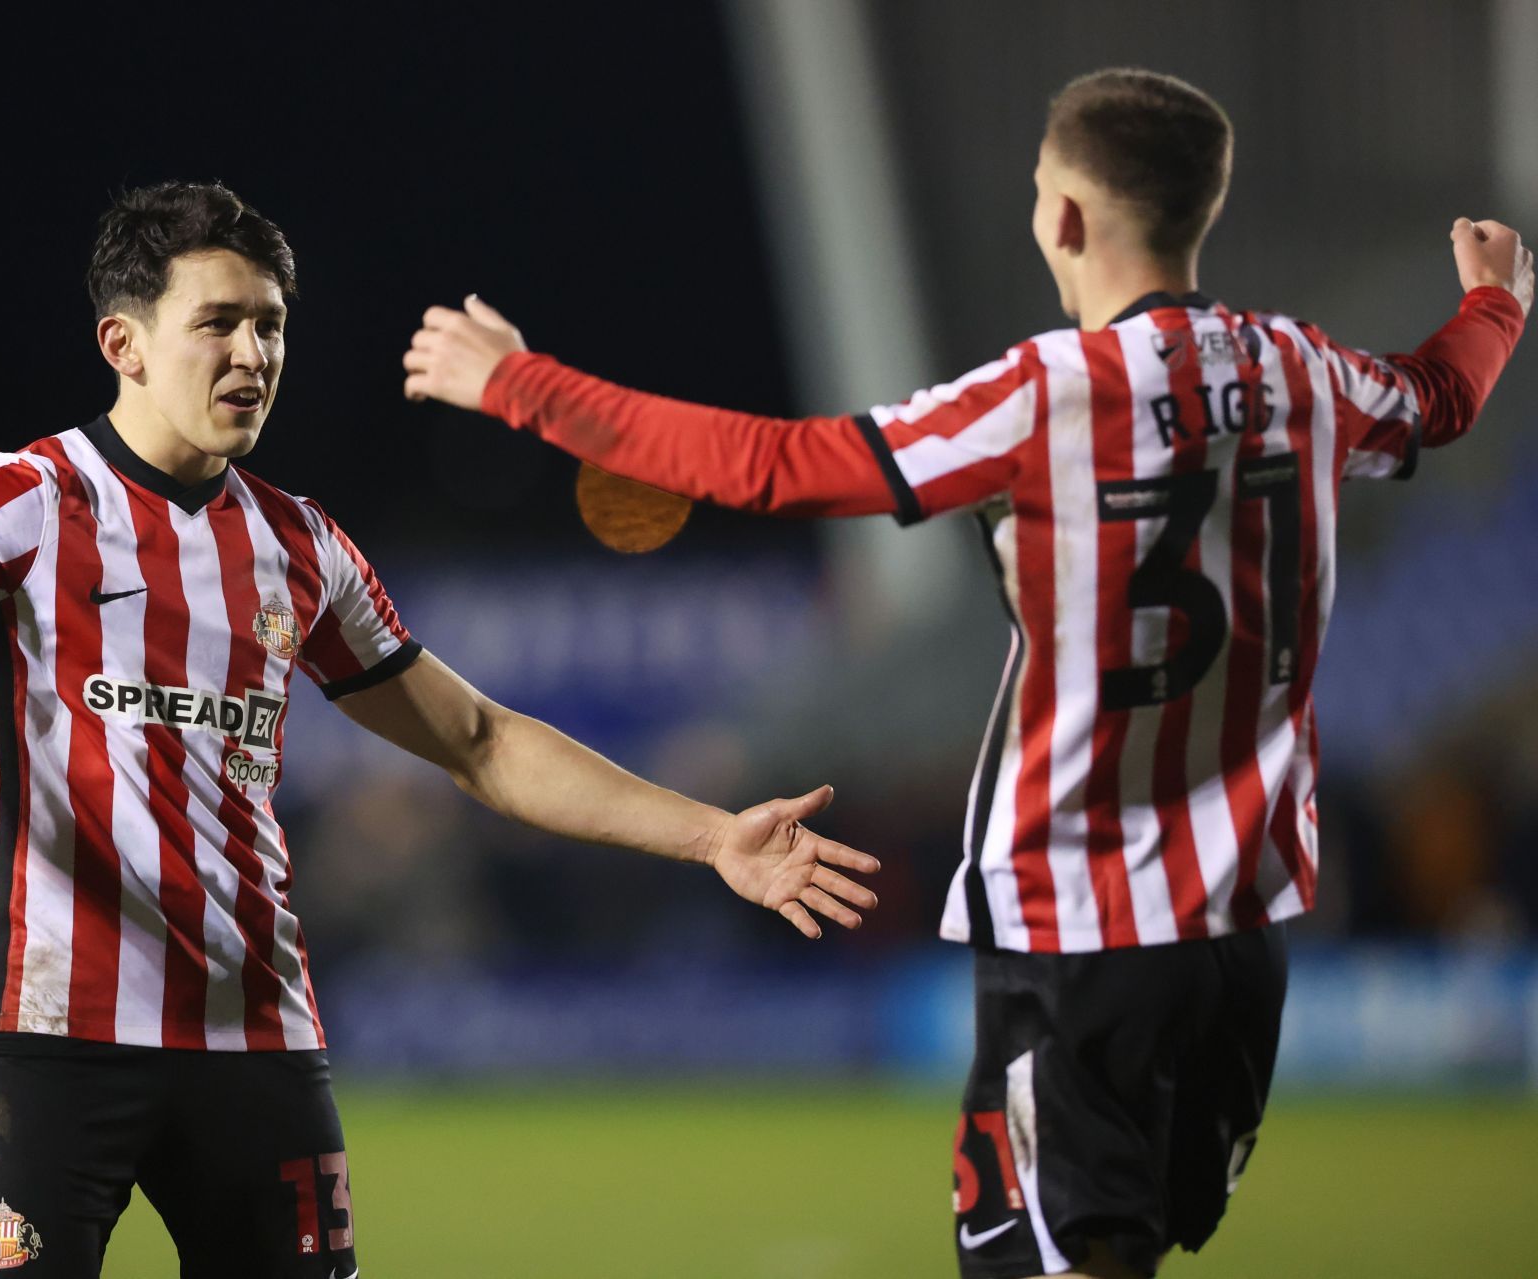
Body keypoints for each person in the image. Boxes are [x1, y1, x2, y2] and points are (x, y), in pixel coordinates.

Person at [402, 68, 1532, 1279]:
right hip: (1243, 932)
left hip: (1082, 928)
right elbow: (1443, 399)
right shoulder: (1305, 373)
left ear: (1063, 219)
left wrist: (520, 385)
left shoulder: (1048, 394)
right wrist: (1495, 302)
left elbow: (774, 464)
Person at [0, 180, 881, 1278]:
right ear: (123, 344)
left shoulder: (299, 545)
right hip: (51, 1041)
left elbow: (480, 742)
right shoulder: (32, 502)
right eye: (220, 323)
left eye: (271, 325)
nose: (254, 353)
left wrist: (715, 836)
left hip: (258, 1041)